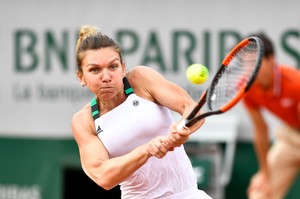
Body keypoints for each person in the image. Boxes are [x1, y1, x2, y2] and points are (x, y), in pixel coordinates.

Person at [71, 25, 212, 199]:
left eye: (113, 67)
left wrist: (183, 129)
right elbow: (103, 176)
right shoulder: (84, 121)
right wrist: (146, 150)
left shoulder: (141, 79)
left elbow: (191, 110)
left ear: (123, 68)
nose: (106, 76)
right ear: (81, 77)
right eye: (94, 70)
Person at [242, 33, 300, 199]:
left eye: (255, 64)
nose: (250, 70)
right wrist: (264, 173)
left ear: (271, 60)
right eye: (247, 64)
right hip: (290, 137)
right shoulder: (249, 89)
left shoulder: (296, 83)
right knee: (260, 192)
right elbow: (261, 130)